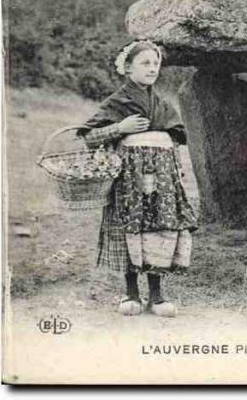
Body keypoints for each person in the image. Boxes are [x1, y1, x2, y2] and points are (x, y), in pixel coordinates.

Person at [78, 40, 197, 317]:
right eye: (145, 63)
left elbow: (177, 136)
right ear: (128, 68)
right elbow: (89, 137)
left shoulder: (161, 104)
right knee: (130, 227)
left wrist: (169, 153)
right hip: (128, 179)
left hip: (162, 179)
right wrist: (120, 127)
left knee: (157, 227)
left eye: (156, 64)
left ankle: (156, 296)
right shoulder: (117, 102)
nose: (152, 68)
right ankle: (130, 293)